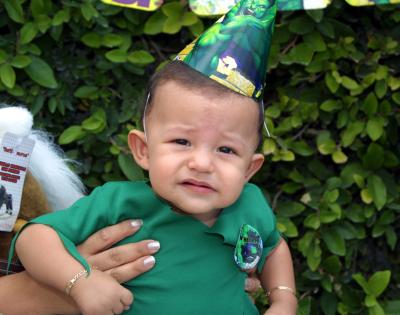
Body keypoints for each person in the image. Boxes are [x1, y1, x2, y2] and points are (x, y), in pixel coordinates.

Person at [11, 0, 297, 314]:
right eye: (182, 141)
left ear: (249, 168)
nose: (201, 163)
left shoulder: (250, 205)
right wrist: (79, 281)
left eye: (226, 150)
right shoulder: (118, 203)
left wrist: (284, 298)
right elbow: (35, 237)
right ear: (143, 150)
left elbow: (273, 247)